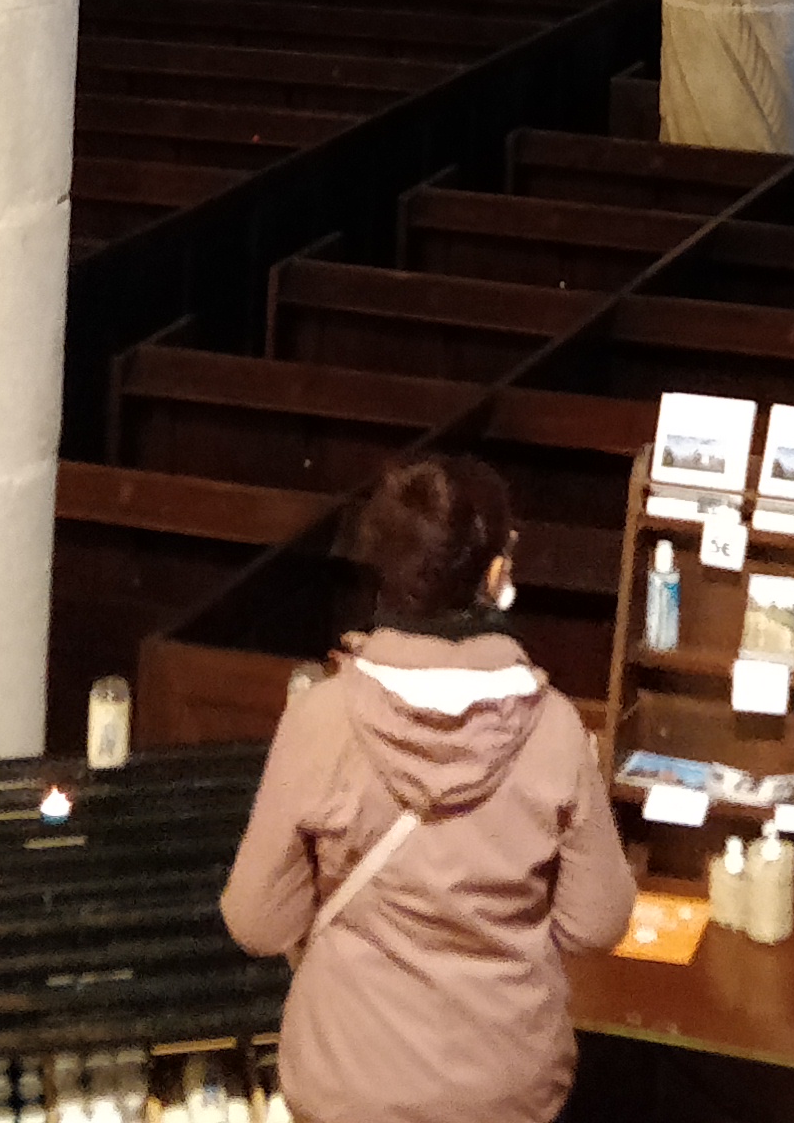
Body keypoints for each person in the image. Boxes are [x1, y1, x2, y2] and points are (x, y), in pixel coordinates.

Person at [223, 450, 631, 1123]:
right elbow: (598, 922)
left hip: (351, 1084)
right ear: (496, 574)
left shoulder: (321, 720)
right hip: (505, 1089)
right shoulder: (554, 729)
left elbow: (256, 921)